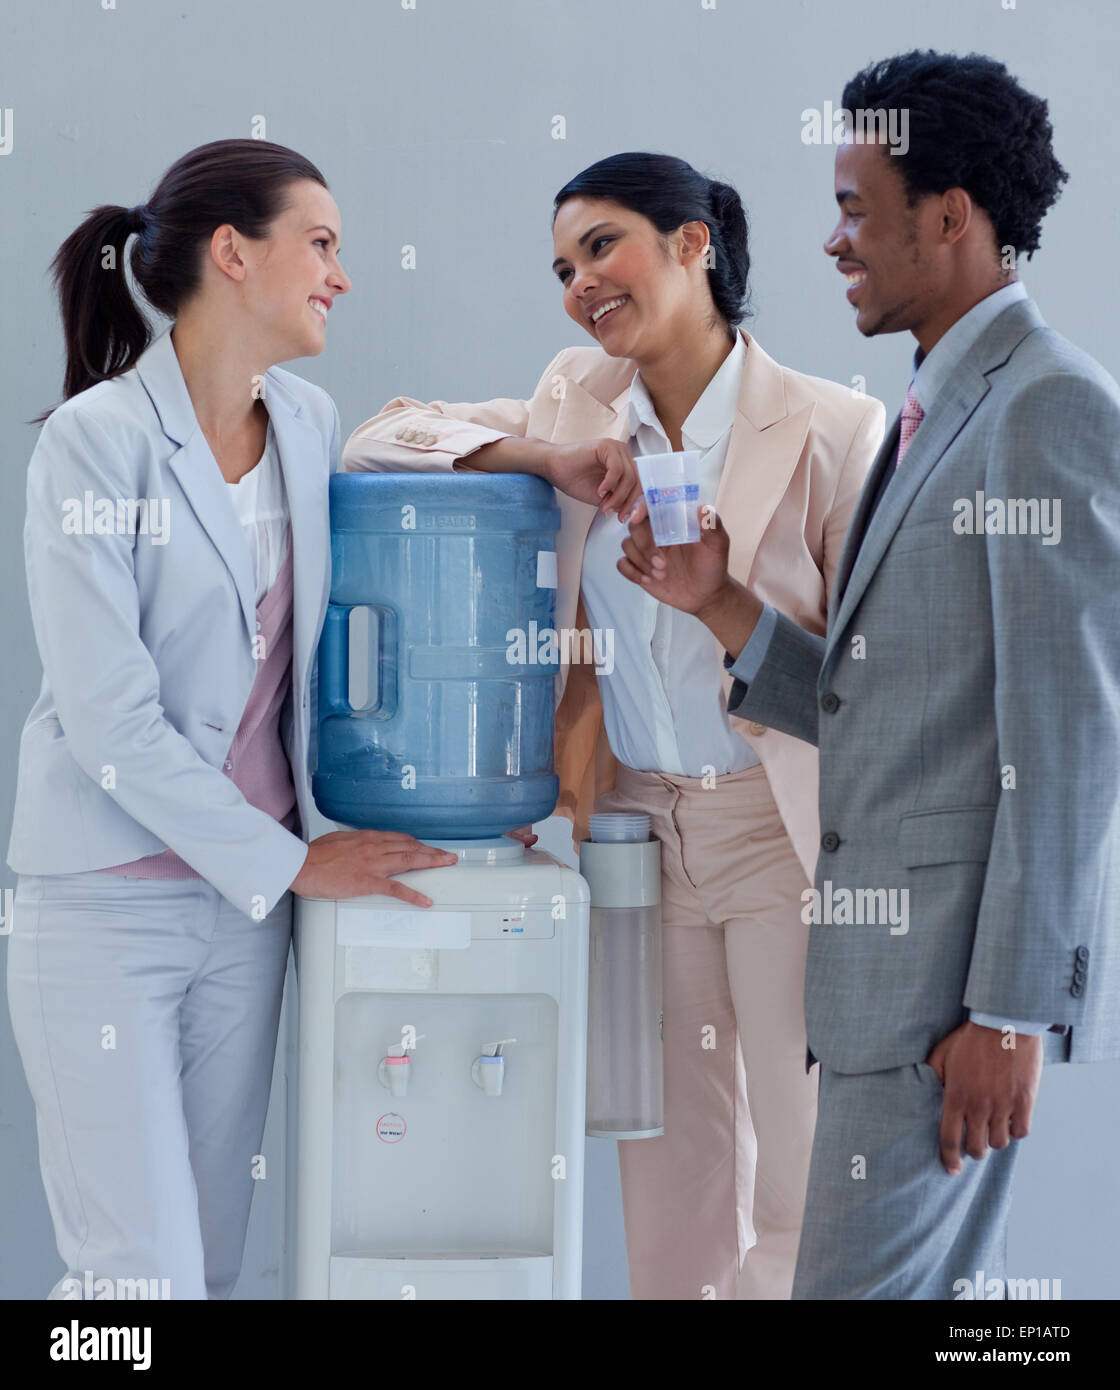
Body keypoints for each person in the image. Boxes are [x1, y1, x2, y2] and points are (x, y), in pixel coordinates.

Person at [617, 52, 1120, 1299]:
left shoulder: (1044, 408)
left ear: (950, 216)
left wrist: (1010, 1014)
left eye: (856, 207)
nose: (832, 241)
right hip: (883, 1002)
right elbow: (889, 706)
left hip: (946, 1012)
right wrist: (725, 604)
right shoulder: (933, 405)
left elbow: (1065, 740)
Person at [341, 152, 885, 1299]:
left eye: (602, 246)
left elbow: (875, 682)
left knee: (802, 1177)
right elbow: (377, 437)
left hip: (779, 830)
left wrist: (725, 604)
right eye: (561, 266)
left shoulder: (834, 427)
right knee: (666, 1176)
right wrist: (548, 460)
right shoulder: (572, 400)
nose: (580, 282)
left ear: (694, 243)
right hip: (632, 834)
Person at [5, 138, 457, 1300]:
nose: (340, 276)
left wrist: (556, 452)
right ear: (230, 255)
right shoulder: (93, 443)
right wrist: (295, 861)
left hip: (244, 917)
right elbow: (110, 722)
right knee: (128, 1275)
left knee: (204, 1260)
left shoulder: (307, 421)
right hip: (104, 901)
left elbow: (422, 440)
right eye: (321, 244)